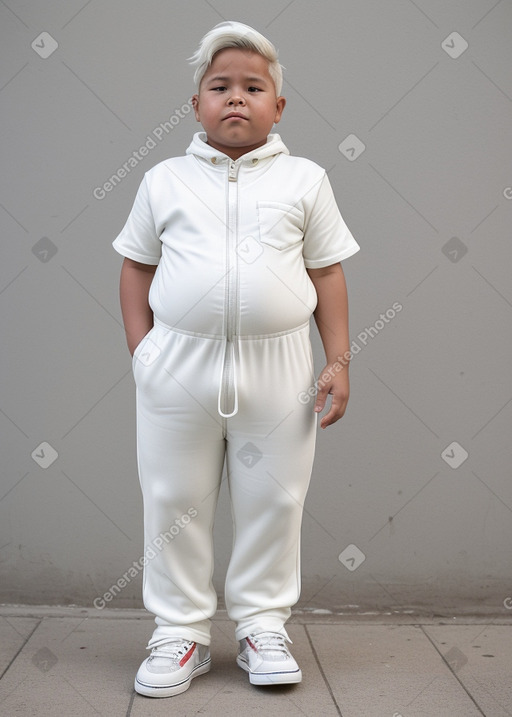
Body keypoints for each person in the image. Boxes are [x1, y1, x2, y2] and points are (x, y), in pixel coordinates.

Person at [113, 20, 360, 698]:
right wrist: (144, 353)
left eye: (254, 87)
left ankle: (261, 623)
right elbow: (137, 266)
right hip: (177, 369)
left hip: (279, 369)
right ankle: (180, 630)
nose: (235, 98)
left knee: (275, 496)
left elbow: (328, 273)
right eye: (219, 86)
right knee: (173, 498)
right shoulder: (163, 181)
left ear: (278, 106)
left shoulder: (306, 180)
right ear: (195, 103)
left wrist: (337, 359)